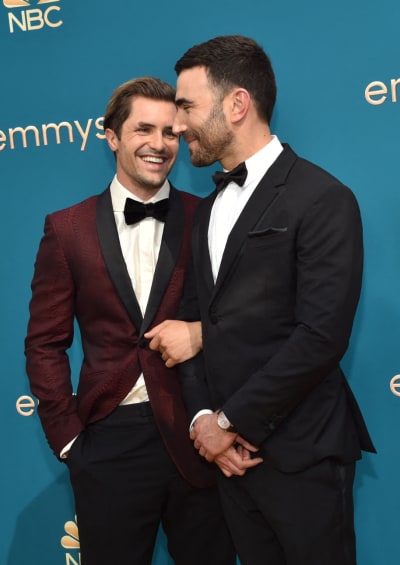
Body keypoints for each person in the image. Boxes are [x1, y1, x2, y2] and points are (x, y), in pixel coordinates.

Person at [147, 36, 376, 565]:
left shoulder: (323, 198)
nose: (177, 125)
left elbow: (320, 336)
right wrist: (205, 417)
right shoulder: (206, 212)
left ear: (237, 104)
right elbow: (193, 324)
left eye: (186, 106)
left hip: (302, 454)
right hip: (230, 463)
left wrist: (227, 425)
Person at [24, 76, 235, 565]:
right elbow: (44, 343)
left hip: (197, 433)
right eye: (144, 130)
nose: (159, 145)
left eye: (170, 132)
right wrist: (70, 440)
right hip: (108, 442)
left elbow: (235, 317)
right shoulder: (66, 229)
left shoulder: (208, 217)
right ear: (112, 136)